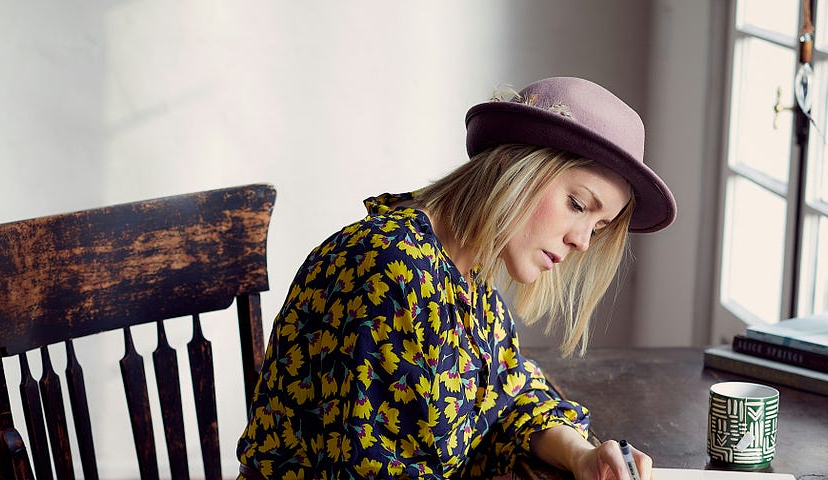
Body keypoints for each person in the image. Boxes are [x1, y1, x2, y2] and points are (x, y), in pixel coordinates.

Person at [236, 77, 676, 480]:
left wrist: (583, 455)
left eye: (598, 228)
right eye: (578, 205)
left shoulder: (469, 279)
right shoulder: (389, 270)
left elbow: (510, 397)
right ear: (517, 167)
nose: (582, 241)